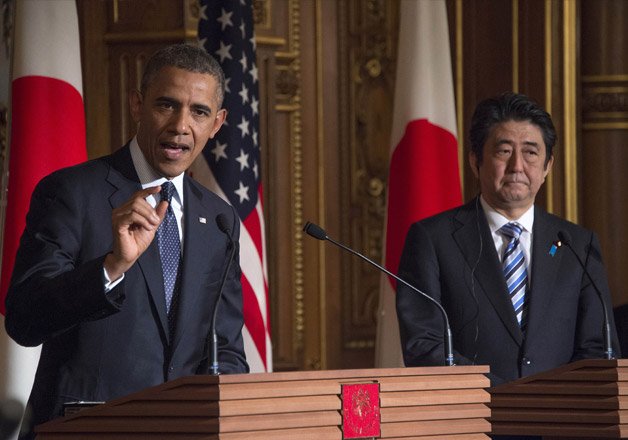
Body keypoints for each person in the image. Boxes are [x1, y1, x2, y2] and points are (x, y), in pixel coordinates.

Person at [4, 44, 248, 436]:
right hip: (86, 429)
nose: (181, 125)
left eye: (199, 112)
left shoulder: (219, 219)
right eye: (166, 105)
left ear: (217, 123)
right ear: (137, 104)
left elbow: (227, 349)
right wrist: (111, 267)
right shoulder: (72, 192)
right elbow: (24, 320)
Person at [396, 92, 620, 387]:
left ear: (547, 166)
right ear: (475, 160)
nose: (517, 166)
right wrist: (503, 394)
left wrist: (551, 398)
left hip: (558, 411)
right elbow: (424, 345)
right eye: (503, 151)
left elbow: (598, 349)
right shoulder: (432, 239)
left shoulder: (578, 245)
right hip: (471, 411)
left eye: (531, 153)